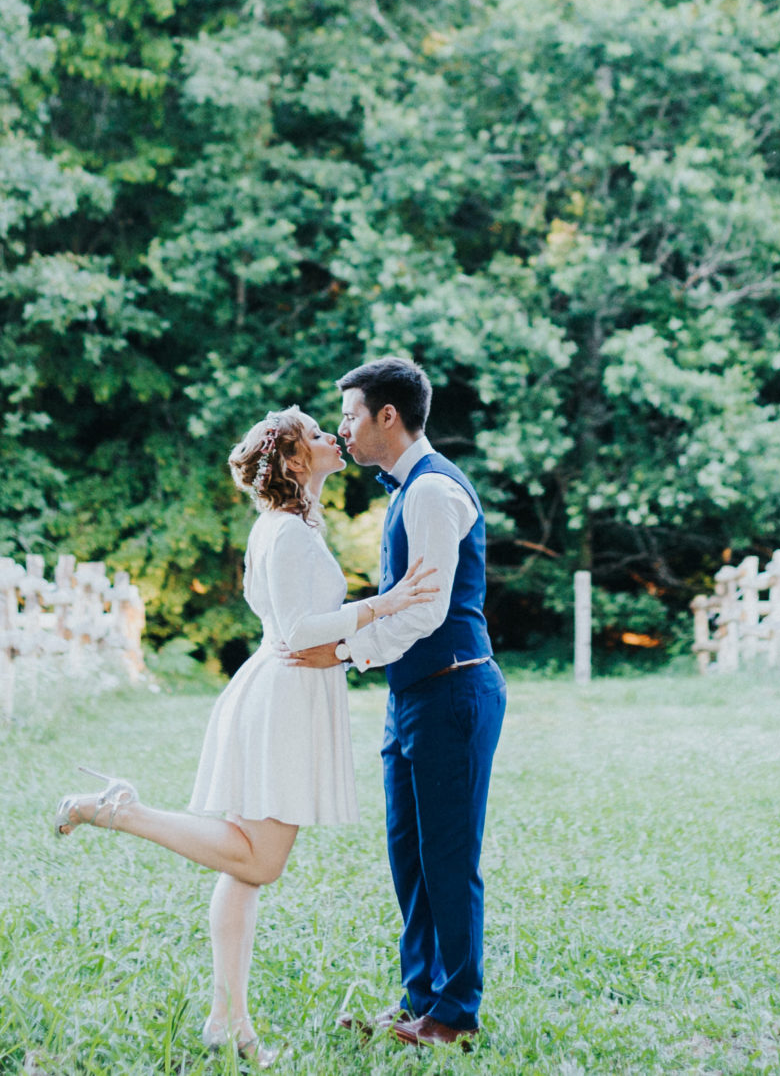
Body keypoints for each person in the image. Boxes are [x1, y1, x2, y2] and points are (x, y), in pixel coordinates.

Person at [55, 406, 439, 1066]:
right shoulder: (286, 532)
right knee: (259, 860)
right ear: (293, 459)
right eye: (318, 433)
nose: (332, 438)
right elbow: (297, 628)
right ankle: (123, 810)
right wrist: (389, 601)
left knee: (244, 871)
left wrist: (370, 613)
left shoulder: (289, 526)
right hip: (283, 700)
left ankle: (226, 1019)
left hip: (282, 694)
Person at [286, 356, 504, 1050]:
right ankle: (420, 997)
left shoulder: (434, 491)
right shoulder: (406, 489)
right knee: (407, 854)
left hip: (454, 688)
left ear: (388, 415)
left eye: (349, 414)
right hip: (412, 694)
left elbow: (431, 609)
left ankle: (455, 1011)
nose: (343, 428)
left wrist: (346, 650)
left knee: (447, 854)